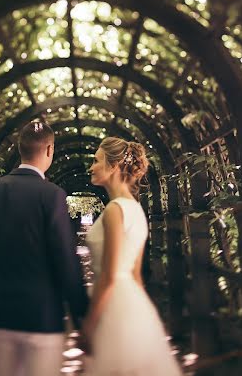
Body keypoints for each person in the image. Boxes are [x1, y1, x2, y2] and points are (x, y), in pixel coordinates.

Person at [0, 121, 88, 376]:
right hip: (42, 314)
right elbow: (65, 259)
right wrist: (81, 316)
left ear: (19, 148)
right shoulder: (52, 195)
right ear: (49, 150)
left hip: (1, 313)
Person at [81, 137, 182, 376]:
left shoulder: (115, 210)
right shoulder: (135, 210)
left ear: (114, 165)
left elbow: (109, 274)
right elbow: (135, 275)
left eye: (96, 161)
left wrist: (89, 324)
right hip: (133, 304)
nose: (91, 167)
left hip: (113, 306)